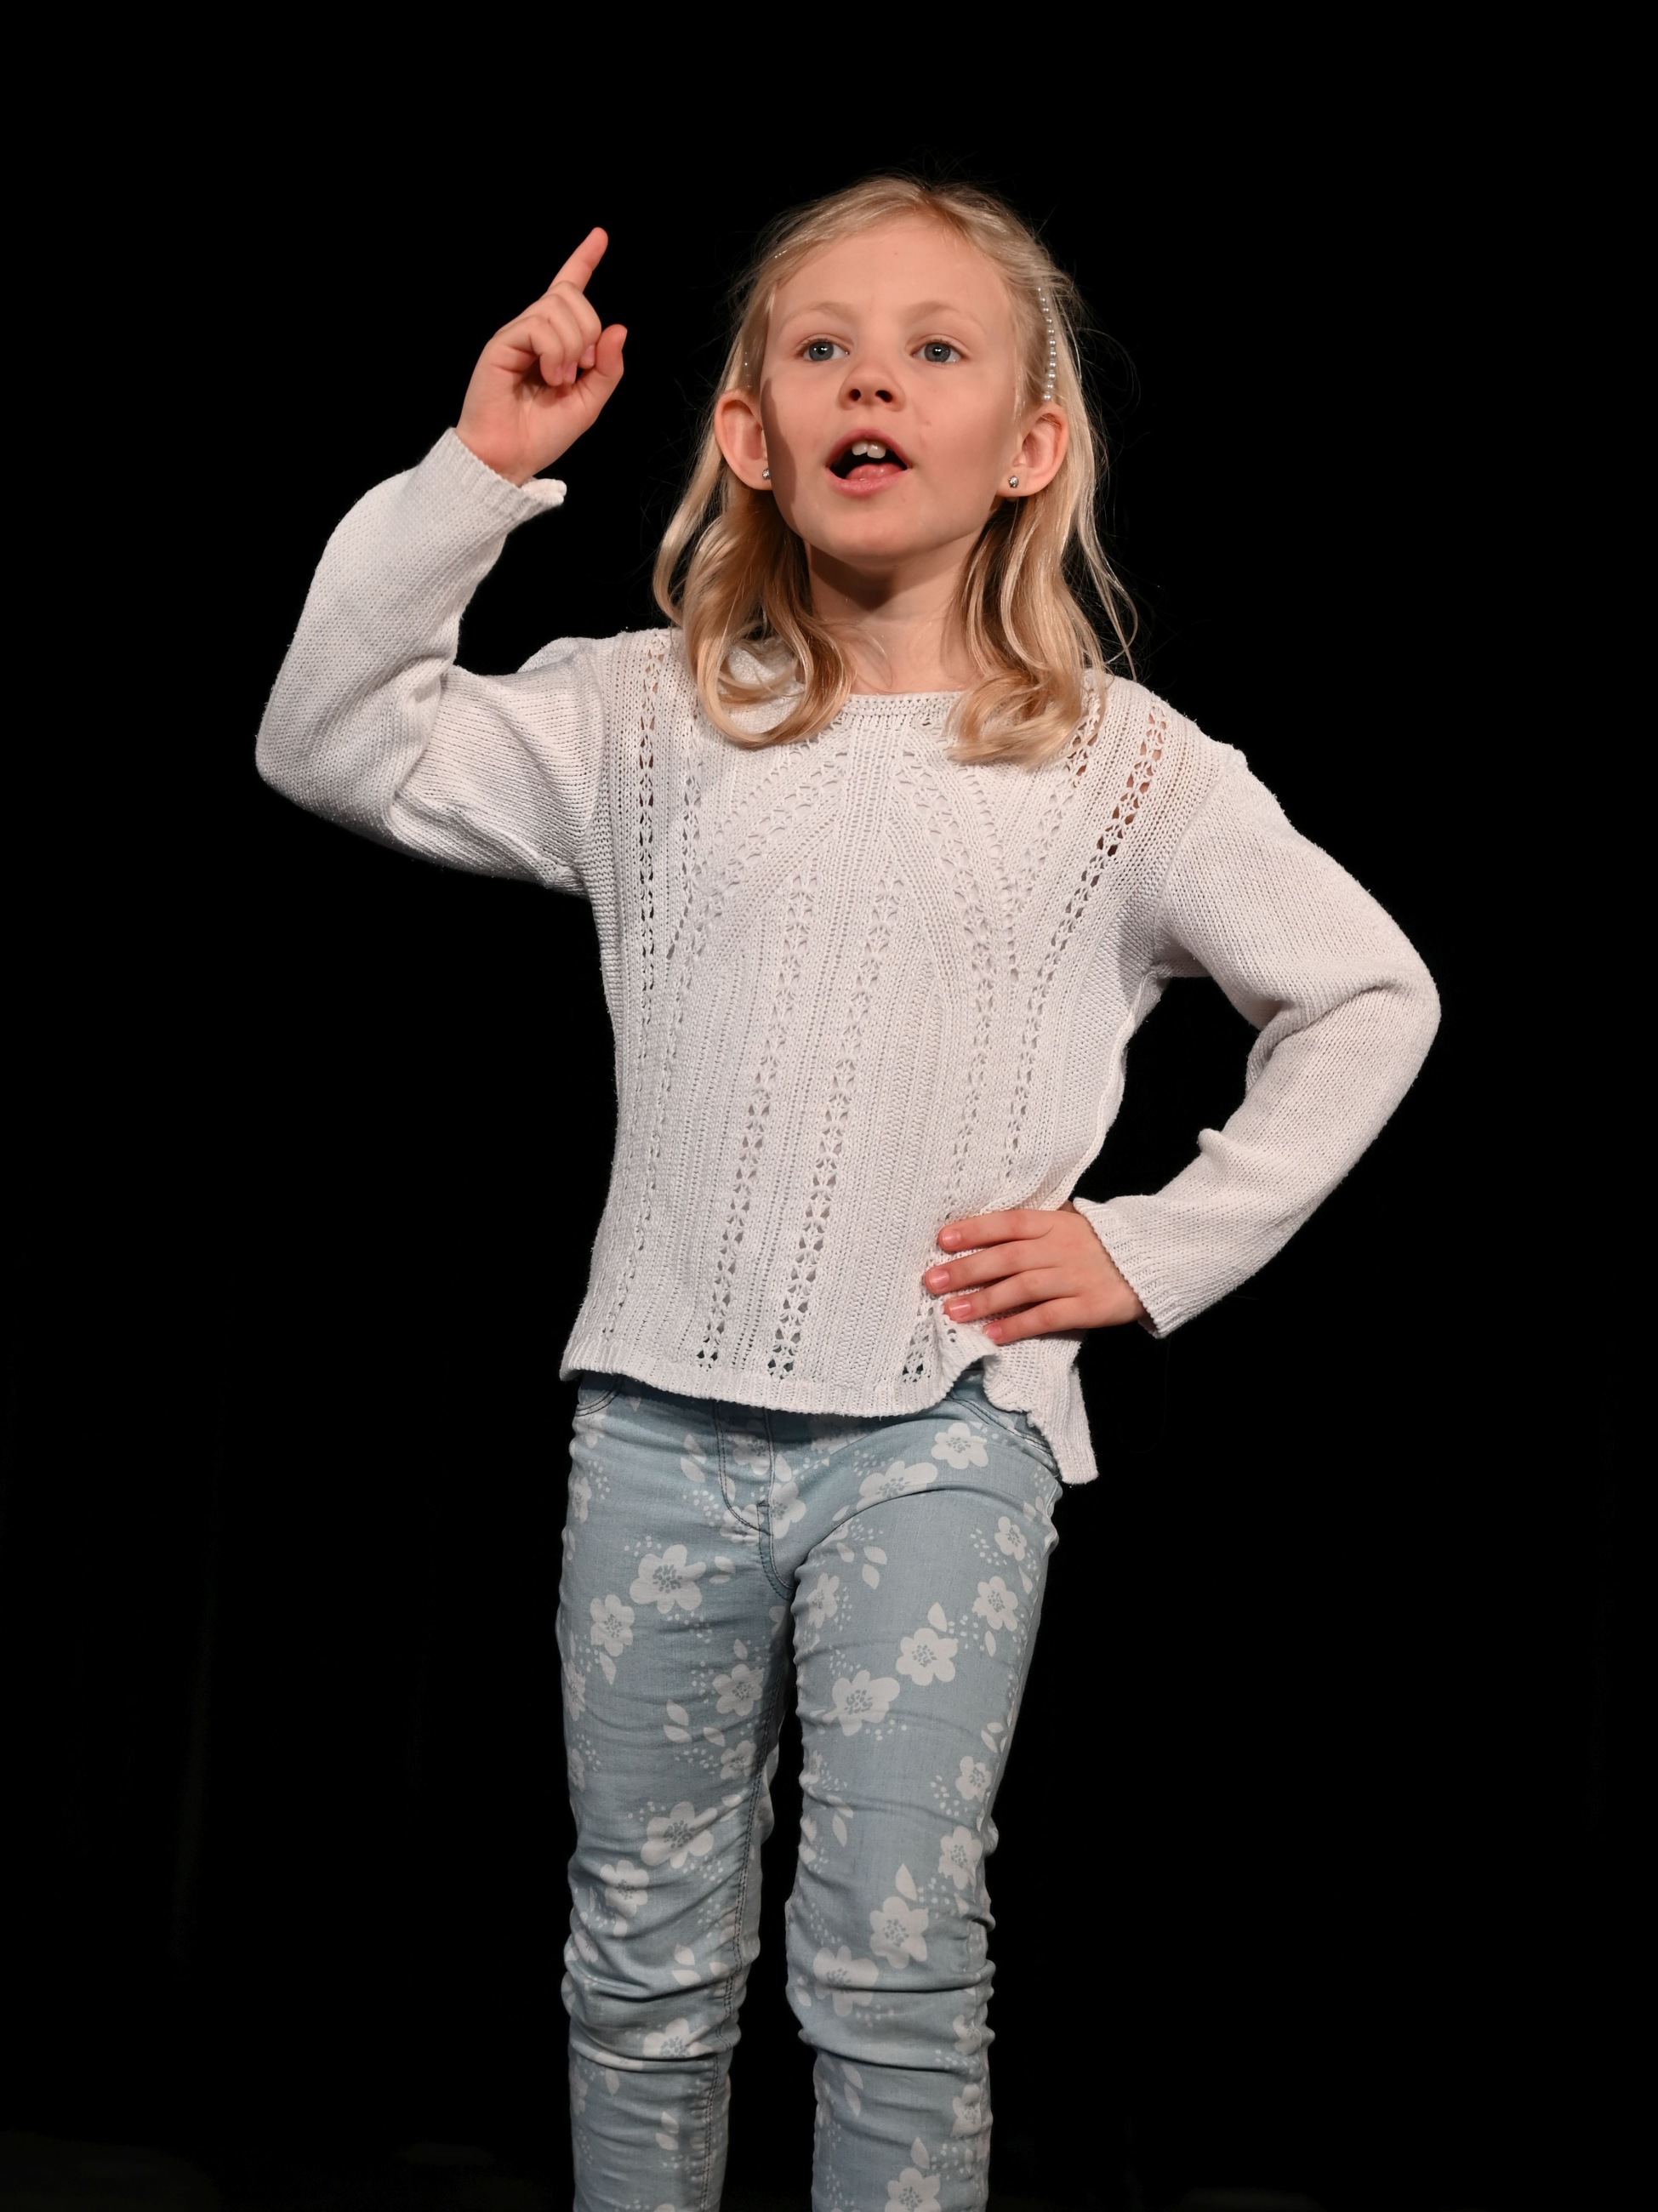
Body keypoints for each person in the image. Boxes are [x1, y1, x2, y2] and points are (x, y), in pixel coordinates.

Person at [256, 175, 1438, 2212]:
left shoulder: (1123, 768)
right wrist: (477, 475)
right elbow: (332, 740)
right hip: (655, 1426)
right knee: (640, 1965)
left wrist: (1146, 1250)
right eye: (822, 349)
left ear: (1031, 443)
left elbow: (1365, 991)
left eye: (932, 349)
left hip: (939, 1433)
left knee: (892, 1976)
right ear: (750, 429)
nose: (871, 381)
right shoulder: (643, 716)